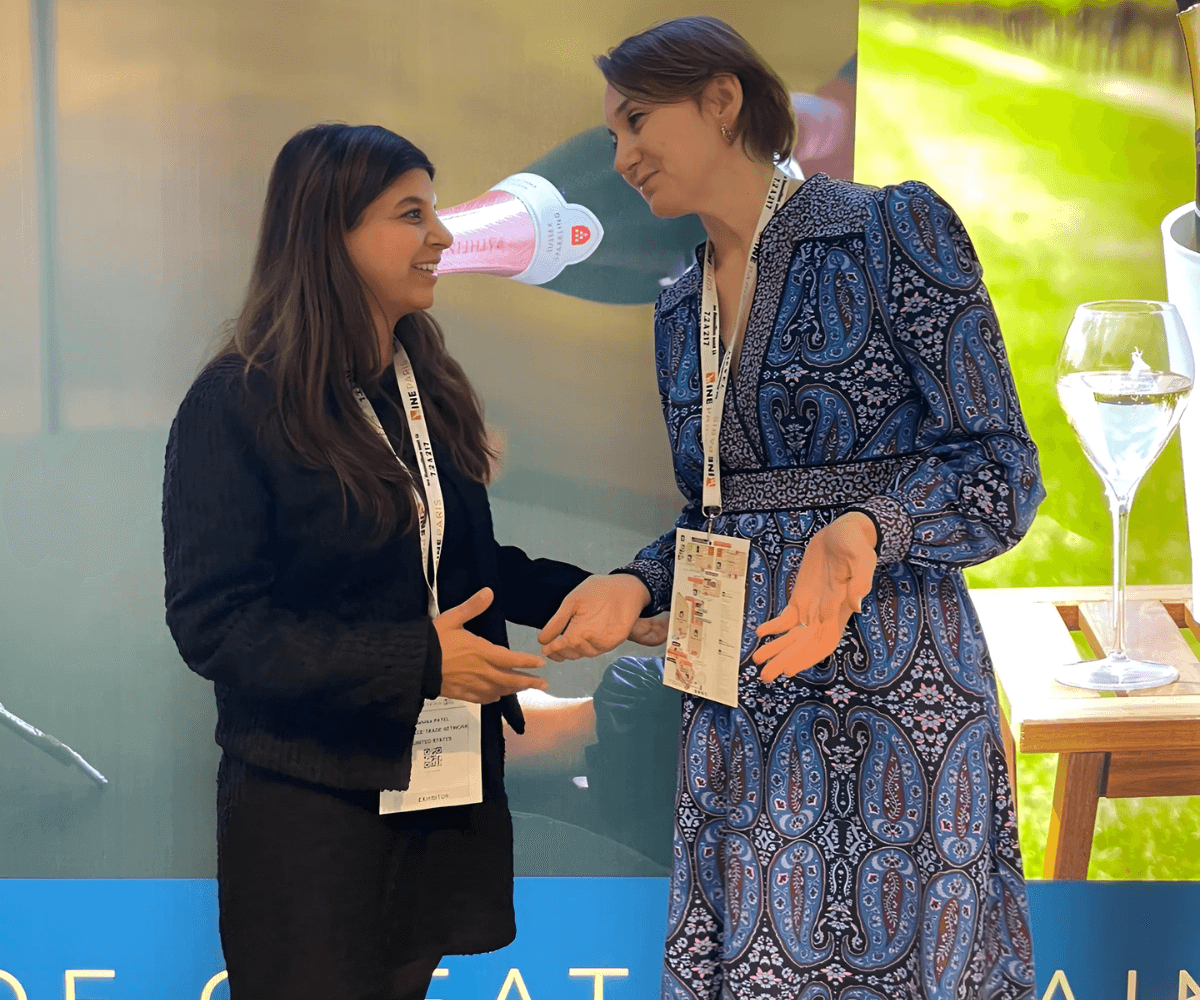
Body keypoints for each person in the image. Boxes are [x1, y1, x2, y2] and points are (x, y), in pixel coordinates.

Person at [537, 16, 1045, 1000]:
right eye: (611, 137)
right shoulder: (679, 304)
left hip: (898, 712)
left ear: (722, 100)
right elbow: (721, 515)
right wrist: (632, 583)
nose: (622, 155)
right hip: (734, 727)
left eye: (637, 120)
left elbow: (999, 468)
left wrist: (865, 530)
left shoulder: (890, 228)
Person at [161, 123, 644, 1000]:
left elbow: (465, 561)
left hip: (440, 794)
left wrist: (603, 597)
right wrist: (422, 661)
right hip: (310, 811)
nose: (444, 237)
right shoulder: (236, 402)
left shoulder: (422, 376)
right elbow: (218, 626)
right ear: (328, 235)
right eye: (410, 213)